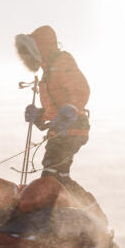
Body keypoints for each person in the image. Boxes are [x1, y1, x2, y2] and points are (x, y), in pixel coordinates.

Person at [14, 25, 91, 183]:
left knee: (52, 177)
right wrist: (39, 115)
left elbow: (81, 89)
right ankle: (80, 205)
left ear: (41, 48)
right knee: (58, 177)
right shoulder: (48, 71)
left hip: (73, 127)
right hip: (63, 129)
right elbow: (56, 109)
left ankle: (75, 206)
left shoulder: (62, 61)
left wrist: (71, 109)